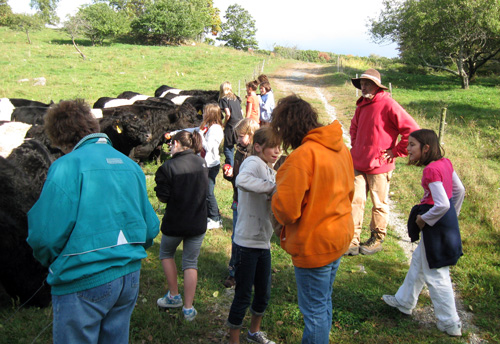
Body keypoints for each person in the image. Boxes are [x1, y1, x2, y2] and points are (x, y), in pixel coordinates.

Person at [26, 99, 160, 343]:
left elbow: (44, 236)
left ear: (59, 137)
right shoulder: (131, 166)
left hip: (82, 279)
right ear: (92, 125)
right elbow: (151, 227)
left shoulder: (66, 166)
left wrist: (50, 261)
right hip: (128, 278)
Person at [271, 95, 354, 344]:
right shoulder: (340, 148)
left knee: (314, 311)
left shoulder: (301, 158)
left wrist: (275, 194)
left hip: (315, 244)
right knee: (323, 301)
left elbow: (287, 212)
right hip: (338, 237)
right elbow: (350, 191)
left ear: (287, 128)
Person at [382, 129, 465, 337]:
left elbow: (442, 203)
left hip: (434, 223)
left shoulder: (431, 170)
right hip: (443, 222)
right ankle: (404, 301)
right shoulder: (445, 163)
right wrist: (452, 217)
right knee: (420, 261)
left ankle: (450, 322)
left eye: (412, 145)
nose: (408, 149)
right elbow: (459, 191)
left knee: (437, 274)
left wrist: (423, 219)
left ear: (426, 148)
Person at [348, 68, 420, 255]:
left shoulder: (388, 104)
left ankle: (376, 239)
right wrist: (356, 147)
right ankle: (352, 240)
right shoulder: (361, 105)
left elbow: (412, 130)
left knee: (379, 203)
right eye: (362, 84)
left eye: (367, 84)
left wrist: (396, 151)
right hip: (358, 163)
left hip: (379, 165)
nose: (363, 87)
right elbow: (354, 127)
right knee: (355, 201)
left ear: (377, 86)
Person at [227, 126, 280, 344]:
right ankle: (234, 340)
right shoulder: (253, 162)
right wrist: (271, 188)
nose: (277, 151)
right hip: (246, 244)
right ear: (257, 147)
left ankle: (253, 332)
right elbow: (242, 181)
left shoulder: (270, 170)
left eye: (280, 147)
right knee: (242, 296)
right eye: (273, 147)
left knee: (263, 294)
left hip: (263, 244)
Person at [155, 130, 209, 321]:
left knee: (166, 253)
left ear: (177, 143)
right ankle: (188, 308)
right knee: (190, 263)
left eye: (171, 144)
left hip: (175, 222)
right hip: (197, 221)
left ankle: (173, 295)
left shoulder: (167, 167)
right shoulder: (202, 162)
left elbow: (163, 196)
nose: (169, 146)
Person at [222, 118, 260, 288]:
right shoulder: (239, 151)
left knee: (252, 238)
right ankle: (233, 272)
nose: (238, 139)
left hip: (252, 204)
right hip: (238, 201)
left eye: (241, 136)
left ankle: (254, 272)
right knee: (236, 237)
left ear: (251, 135)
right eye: (237, 136)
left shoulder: (258, 156)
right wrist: (229, 174)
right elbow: (237, 179)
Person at [219, 81, 243, 167]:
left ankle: (230, 166)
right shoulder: (235, 98)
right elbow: (241, 111)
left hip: (231, 124)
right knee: (240, 145)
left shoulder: (224, 99)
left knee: (228, 147)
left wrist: (224, 124)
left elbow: (228, 113)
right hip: (240, 122)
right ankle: (240, 164)